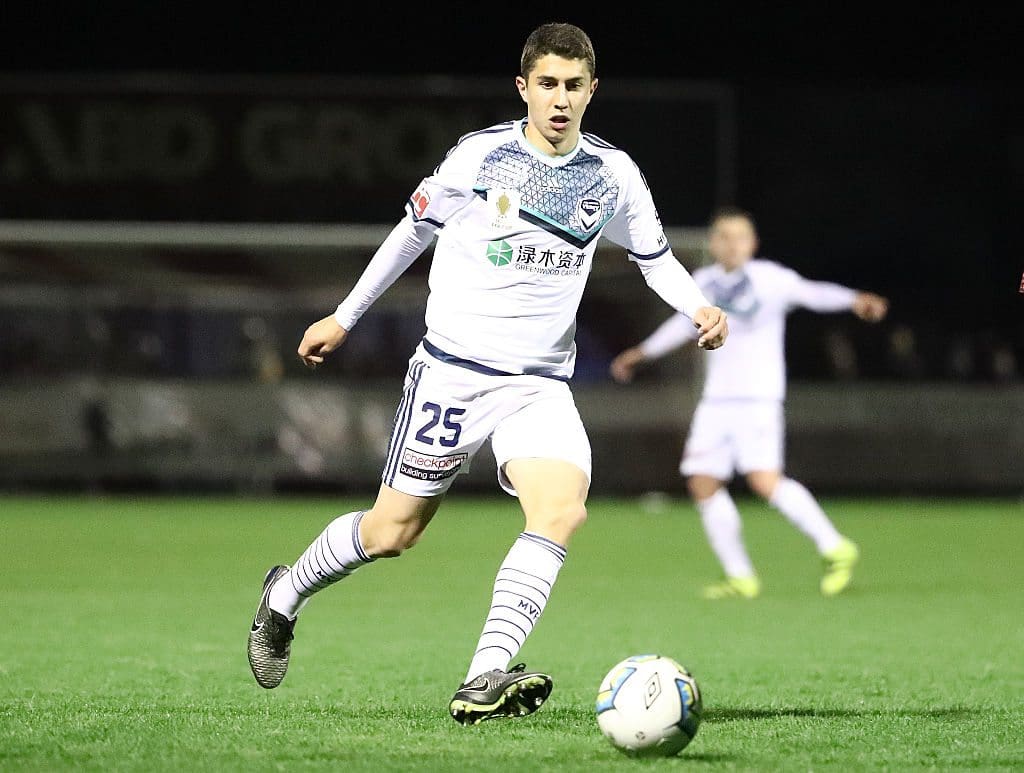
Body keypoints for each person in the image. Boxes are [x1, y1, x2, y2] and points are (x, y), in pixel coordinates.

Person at [246, 23, 728, 725]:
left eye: (573, 86)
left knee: (561, 509)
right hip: (451, 374)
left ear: (592, 91)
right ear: (523, 88)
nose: (560, 100)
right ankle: (284, 595)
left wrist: (698, 306)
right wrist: (344, 316)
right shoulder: (480, 158)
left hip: (537, 385)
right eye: (547, 85)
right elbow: (413, 229)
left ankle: (483, 676)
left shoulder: (612, 173)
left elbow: (653, 257)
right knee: (392, 533)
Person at [610, 206, 887, 599]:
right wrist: (643, 352)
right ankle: (740, 577)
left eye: (740, 237)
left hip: (758, 398)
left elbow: (814, 293)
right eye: (723, 236)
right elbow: (682, 324)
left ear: (753, 243)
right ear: (712, 243)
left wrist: (854, 300)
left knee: (763, 481)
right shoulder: (702, 282)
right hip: (716, 400)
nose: (731, 244)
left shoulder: (771, 279)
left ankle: (835, 547)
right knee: (703, 482)